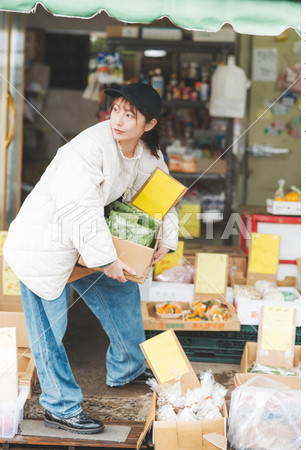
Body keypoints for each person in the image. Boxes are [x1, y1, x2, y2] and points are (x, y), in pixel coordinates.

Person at [3, 83, 179, 434]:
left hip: (85, 244)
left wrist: (167, 238)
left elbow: (162, 191)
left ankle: (126, 367)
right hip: (45, 243)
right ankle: (60, 406)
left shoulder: (146, 153)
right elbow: (80, 212)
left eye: (130, 114)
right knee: (49, 332)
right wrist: (107, 260)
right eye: (116, 109)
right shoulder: (88, 148)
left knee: (124, 292)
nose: (119, 119)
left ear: (149, 125)